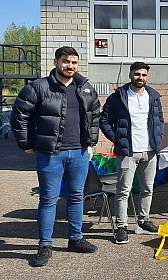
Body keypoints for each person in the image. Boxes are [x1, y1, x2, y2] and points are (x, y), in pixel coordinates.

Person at [10, 46, 100, 267]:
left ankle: (76, 239)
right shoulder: (38, 87)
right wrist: (26, 144)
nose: (70, 66)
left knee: (77, 196)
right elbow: (19, 116)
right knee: (49, 200)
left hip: (79, 153)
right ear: (56, 62)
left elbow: (95, 115)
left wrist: (91, 143)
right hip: (50, 154)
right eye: (65, 61)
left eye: (74, 62)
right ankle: (44, 245)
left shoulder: (85, 88)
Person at [99, 62, 165, 245]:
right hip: (127, 152)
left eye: (144, 75)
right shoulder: (118, 97)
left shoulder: (153, 97)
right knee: (123, 191)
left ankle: (143, 222)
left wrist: (157, 139)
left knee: (147, 189)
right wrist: (117, 139)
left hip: (149, 151)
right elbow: (104, 120)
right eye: (137, 74)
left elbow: (159, 120)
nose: (140, 78)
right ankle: (122, 228)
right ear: (130, 75)